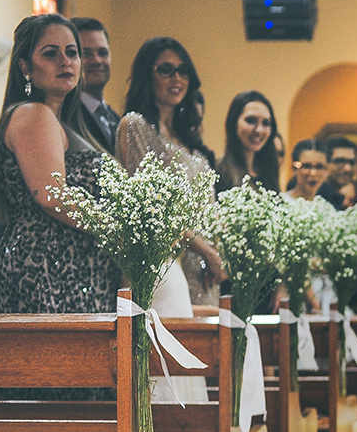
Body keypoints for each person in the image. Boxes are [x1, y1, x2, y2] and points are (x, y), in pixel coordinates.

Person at [0, 13, 121, 432]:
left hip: (72, 273)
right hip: (47, 273)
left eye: (72, 52)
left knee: (79, 408)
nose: (67, 61)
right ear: (24, 66)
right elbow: (52, 196)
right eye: (51, 53)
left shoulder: (65, 119)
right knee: (58, 409)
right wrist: (130, 229)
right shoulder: (33, 114)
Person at [118, 36, 223, 308]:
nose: (176, 77)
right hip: (167, 261)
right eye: (166, 70)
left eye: (183, 70)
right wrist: (206, 251)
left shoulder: (191, 142)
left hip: (203, 266)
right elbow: (151, 207)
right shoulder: (136, 126)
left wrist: (216, 253)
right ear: (147, 76)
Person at [215, 90, 279, 194]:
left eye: (266, 123)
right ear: (233, 123)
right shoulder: (218, 171)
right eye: (251, 120)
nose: (259, 130)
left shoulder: (269, 172)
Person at [71, 17, 117, 154]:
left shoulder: (116, 118)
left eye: (102, 53)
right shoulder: (66, 116)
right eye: (86, 54)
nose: (96, 60)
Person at [317, 136, 357, 209]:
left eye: (351, 162)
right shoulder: (316, 197)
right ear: (325, 163)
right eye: (340, 162)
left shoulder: (349, 199)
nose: (347, 168)